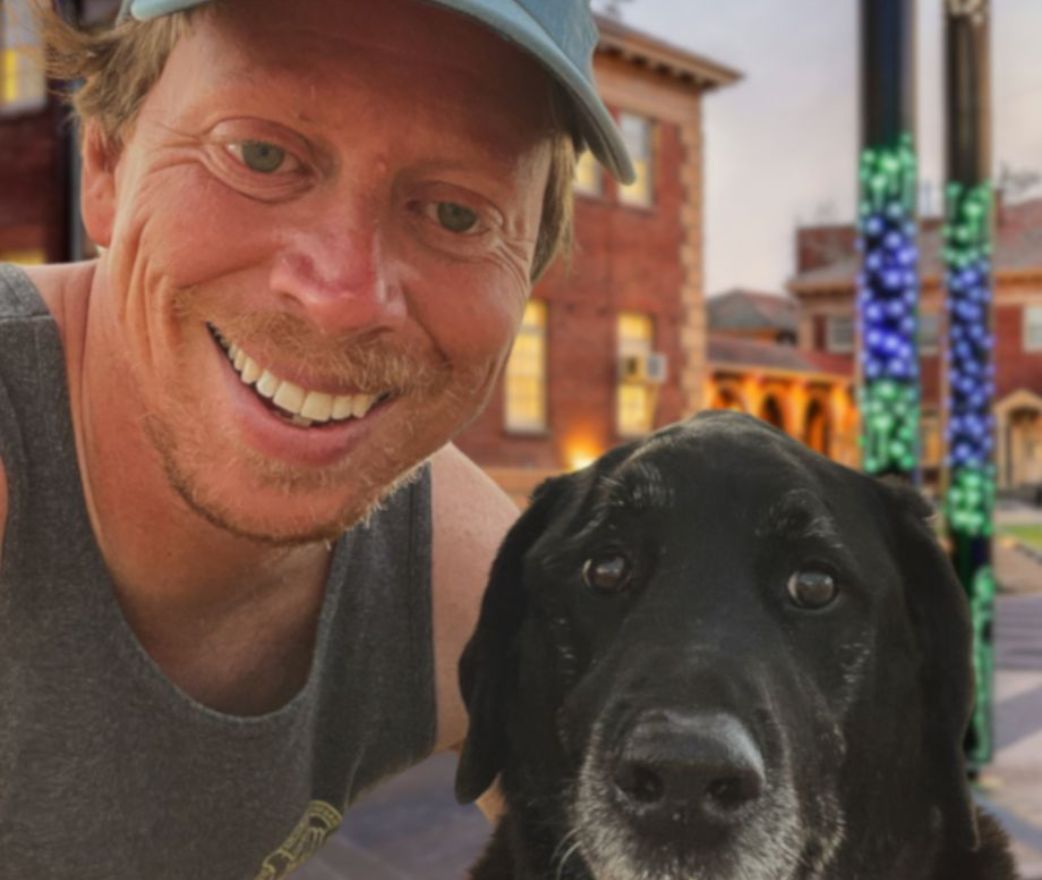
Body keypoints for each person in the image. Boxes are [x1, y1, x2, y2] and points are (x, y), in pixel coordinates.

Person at [0, 0, 632, 876]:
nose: (342, 295)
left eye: (457, 215)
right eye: (260, 155)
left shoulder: (465, 588)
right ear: (106, 159)